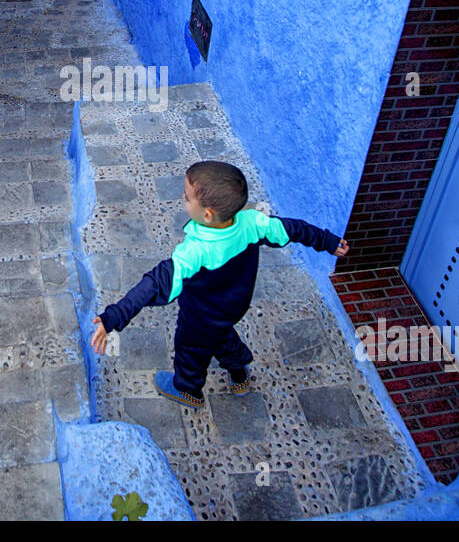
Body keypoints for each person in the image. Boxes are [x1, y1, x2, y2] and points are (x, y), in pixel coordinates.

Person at [89, 160, 349, 408]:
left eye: (187, 197)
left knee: (190, 349)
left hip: (200, 315)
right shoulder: (252, 222)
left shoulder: (196, 251)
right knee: (221, 334)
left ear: (208, 214)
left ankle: (187, 390)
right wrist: (327, 241)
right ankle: (239, 373)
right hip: (233, 306)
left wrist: (113, 317)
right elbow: (292, 229)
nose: (183, 199)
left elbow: (154, 285)